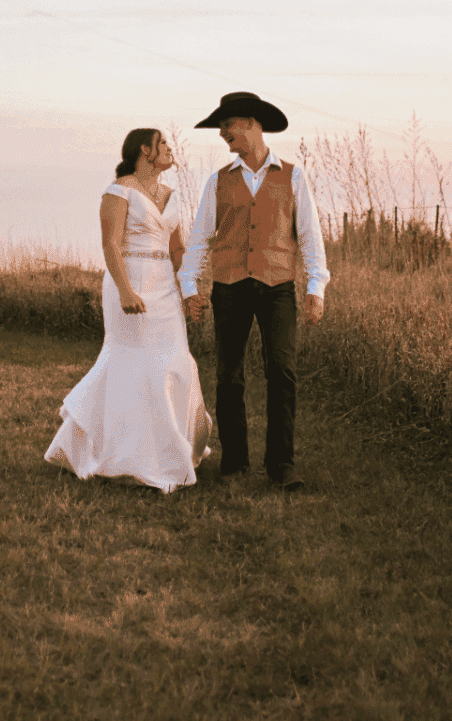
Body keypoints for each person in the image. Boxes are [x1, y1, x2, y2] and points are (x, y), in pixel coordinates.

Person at [44, 128, 212, 492]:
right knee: (135, 363)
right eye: (163, 143)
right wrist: (124, 290)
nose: (170, 148)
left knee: (174, 361)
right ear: (146, 150)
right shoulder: (118, 190)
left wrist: (189, 292)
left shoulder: (171, 195)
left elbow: (178, 249)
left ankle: (169, 452)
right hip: (131, 280)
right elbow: (110, 245)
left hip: (165, 286)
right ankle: (122, 454)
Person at [179, 91, 328, 491]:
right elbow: (199, 239)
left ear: (251, 124)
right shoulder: (218, 181)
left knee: (282, 371)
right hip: (228, 287)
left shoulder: (294, 176)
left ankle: (282, 465)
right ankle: (234, 462)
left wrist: (316, 287)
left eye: (228, 125)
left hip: (278, 286)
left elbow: (310, 236)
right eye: (222, 128)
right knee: (229, 376)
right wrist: (189, 286)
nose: (224, 133)